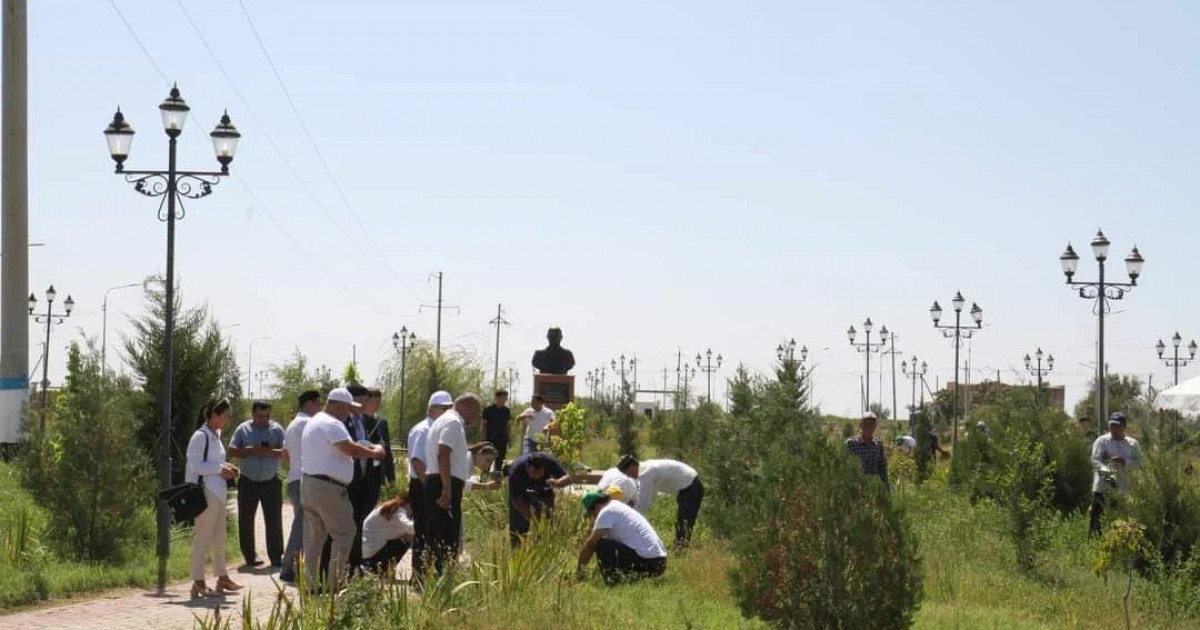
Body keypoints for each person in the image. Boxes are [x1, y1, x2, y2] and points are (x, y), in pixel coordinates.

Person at [300, 388, 386, 591]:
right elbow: (351, 449)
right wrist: (375, 453)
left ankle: (311, 585)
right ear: (338, 405)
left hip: (310, 484)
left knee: (315, 539)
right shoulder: (332, 423)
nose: (350, 413)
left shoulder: (315, 421)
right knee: (345, 533)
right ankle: (335, 586)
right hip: (328, 488)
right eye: (348, 408)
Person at [185, 398, 243, 598]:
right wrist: (220, 469)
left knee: (219, 537)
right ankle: (198, 581)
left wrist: (227, 467)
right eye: (225, 416)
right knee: (202, 537)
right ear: (214, 416)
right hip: (205, 493)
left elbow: (214, 462)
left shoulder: (215, 436)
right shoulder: (200, 436)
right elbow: (195, 466)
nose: (227, 420)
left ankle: (222, 576)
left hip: (218, 492)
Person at [424, 392, 483, 577]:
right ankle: (443, 581)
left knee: (439, 535)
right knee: (448, 538)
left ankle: (439, 577)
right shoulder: (453, 422)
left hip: (438, 481)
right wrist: (446, 490)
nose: (476, 417)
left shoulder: (443, 420)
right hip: (444, 484)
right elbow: (443, 453)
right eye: (477, 412)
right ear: (468, 408)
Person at [228, 400, 286, 568]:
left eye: (267, 416)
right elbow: (232, 451)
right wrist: (252, 450)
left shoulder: (277, 430)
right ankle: (250, 557)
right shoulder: (243, 429)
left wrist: (268, 451)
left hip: (271, 481)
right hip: (248, 481)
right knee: (246, 520)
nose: (264, 420)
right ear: (253, 414)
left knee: (274, 520)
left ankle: (276, 557)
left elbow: (286, 453)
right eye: (260, 416)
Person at [407, 391, 454, 582]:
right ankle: (419, 575)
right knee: (424, 531)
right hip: (422, 484)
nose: (447, 412)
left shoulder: (436, 428)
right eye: (444, 408)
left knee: (433, 530)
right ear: (433, 409)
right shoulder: (424, 429)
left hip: (427, 483)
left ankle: (429, 573)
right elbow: (418, 461)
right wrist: (429, 488)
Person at [577, 490, 667, 585]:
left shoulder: (606, 512)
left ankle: (613, 582)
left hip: (648, 562)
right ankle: (624, 578)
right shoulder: (618, 507)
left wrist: (579, 571)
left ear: (595, 507)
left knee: (600, 544)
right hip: (659, 563)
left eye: (592, 514)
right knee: (605, 543)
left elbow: (590, 545)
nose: (594, 517)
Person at [279, 390, 321, 583]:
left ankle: (294, 566)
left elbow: (285, 456)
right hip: (304, 479)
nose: (320, 408)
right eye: (318, 403)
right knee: (302, 527)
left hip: (295, 477)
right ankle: (289, 567)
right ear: (310, 403)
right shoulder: (308, 424)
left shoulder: (293, 424)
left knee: (303, 525)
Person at [342, 383, 386, 569]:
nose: (364, 405)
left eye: (365, 401)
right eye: (360, 401)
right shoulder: (343, 422)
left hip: (365, 479)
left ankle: (355, 563)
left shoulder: (362, 422)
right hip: (349, 481)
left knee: (360, 524)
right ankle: (344, 563)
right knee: (347, 526)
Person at [621, 457, 704, 548]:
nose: (627, 476)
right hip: (687, 484)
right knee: (684, 520)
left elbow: (642, 504)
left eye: (626, 472)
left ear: (632, 467)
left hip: (691, 485)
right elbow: (648, 498)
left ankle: (680, 550)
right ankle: (679, 547)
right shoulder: (646, 468)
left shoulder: (646, 473)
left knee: (684, 521)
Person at [1090, 412, 1142, 536]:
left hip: (1122, 489)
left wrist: (1125, 462)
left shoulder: (1132, 444)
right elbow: (1094, 460)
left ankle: (1116, 546)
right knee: (1097, 521)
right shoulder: (1102, 441)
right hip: (1102, 488)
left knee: (1119, 521)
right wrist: (1107, 471)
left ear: (1124, 427)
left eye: (1117, 426)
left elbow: (1139, 463)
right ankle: (1094, 545)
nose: (1114, 429)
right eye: (1112, 426)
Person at [507, 451, 572, 547]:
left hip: (544, 489)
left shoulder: (549, 462)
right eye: (533, 472)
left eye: (540, 472)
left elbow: (568, 478)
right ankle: (517, 552)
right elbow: (515, 500)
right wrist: (529, 515)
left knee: (546, 523)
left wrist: (557, 482)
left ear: (544, 468)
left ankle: (544, 546)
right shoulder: (516, 470)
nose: (536, 476)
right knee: (519, 524)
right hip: (521, 494)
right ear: (527, 467)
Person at [360, 494, 415, 577]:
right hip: (373, 555)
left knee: (405, 537)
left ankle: (378, 568)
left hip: (366, 552)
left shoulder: (390, 508)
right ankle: (380, 569)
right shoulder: (398, 512)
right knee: (403, 542)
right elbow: (411, 528)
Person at [364, 387, 397, 486]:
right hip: (363, 471)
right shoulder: (359, 421)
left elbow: (387, 449)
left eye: (378, 401)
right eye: (373, 401)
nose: (376, 404)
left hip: (377, 472)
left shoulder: (382, 422)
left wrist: (391, 476)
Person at [846, 411, 888, 488]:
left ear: (875, 426)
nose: (868, 427)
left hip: (874, 488)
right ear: (860, 425)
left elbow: (882, 468)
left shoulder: (878, 445)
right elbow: (845, 468)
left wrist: (885, 489)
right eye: (865, 424)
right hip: (856, 488)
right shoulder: (851, 444)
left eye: (871, 424)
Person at [480, 390, 512, 473]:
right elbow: (483, 425)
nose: (504, 400)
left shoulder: (506, 410)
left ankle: (496, 481)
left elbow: (508, 426)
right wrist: (483, 440)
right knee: (487, 460)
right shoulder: (488, 410)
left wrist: (509, 438)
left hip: (502, 439)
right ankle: (483, 479)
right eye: (503, 398)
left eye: (506, 398)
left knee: (499, 461)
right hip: (490, 439)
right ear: (497, 398)